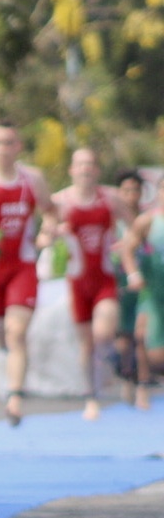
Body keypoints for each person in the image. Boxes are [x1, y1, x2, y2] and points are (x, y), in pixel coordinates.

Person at [0, 124, 57, 425]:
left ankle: (15, 396)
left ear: (19, 146)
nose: (4, 149)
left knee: (16, 332)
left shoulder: (33, 179)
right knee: (0, 336)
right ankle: (13, 363)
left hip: (23, 265)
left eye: (10, 143)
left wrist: (47, 234)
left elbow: (51, 211)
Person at [52, 148, 129, 421]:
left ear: (97, 170)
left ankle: (112, 359)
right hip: (77, 281)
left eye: (90, 164)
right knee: (86, 344)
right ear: (72, 170)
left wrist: (126, 249)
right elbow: (43, 237)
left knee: (103, 333)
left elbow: (132, 230)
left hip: (104, 278)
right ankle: (91, 395)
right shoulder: (60, 202)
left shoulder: (111, 199)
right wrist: (53, 237)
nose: (85, 169)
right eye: (80, 165)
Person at [118, 197, 162, 413]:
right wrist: (133, 273)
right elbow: (127, 249)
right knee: (141, 336)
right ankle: (142, 385)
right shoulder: (148, 221)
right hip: (151, 291)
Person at [112, 170, 148, 399]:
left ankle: (143, 384)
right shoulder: (112, 220)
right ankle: (127, 375)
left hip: (145, 282)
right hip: (119, 280)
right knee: (124, 337)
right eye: (126, 190)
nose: (131, 195)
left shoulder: (147, 219)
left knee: (141, 334)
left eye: (135, 190)